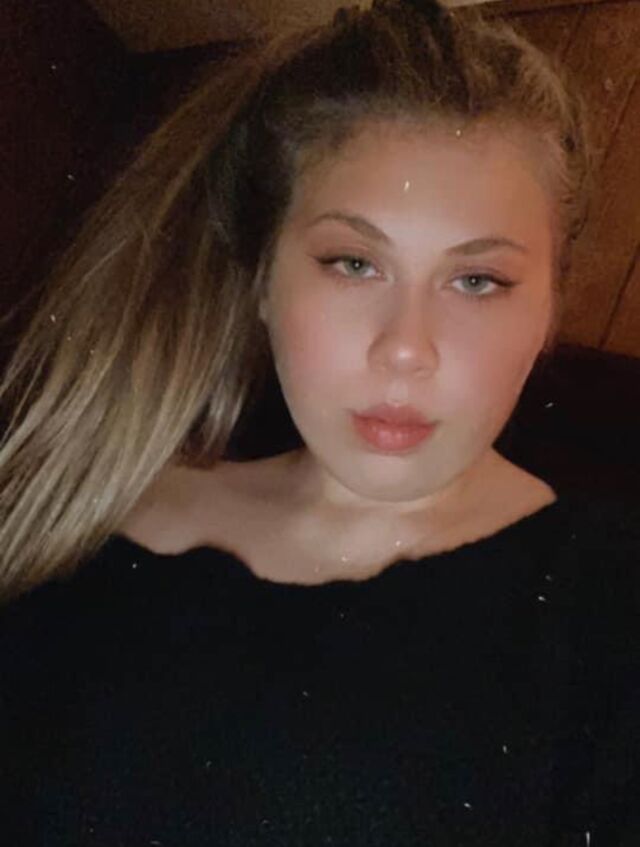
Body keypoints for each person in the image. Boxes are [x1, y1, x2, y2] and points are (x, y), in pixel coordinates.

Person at [0, 0, 638, 843]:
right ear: (262, 281)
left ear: (550, 306)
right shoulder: (77, 524)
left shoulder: (611, 610)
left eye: (477, 280)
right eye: (353, 262)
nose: (405, 348)